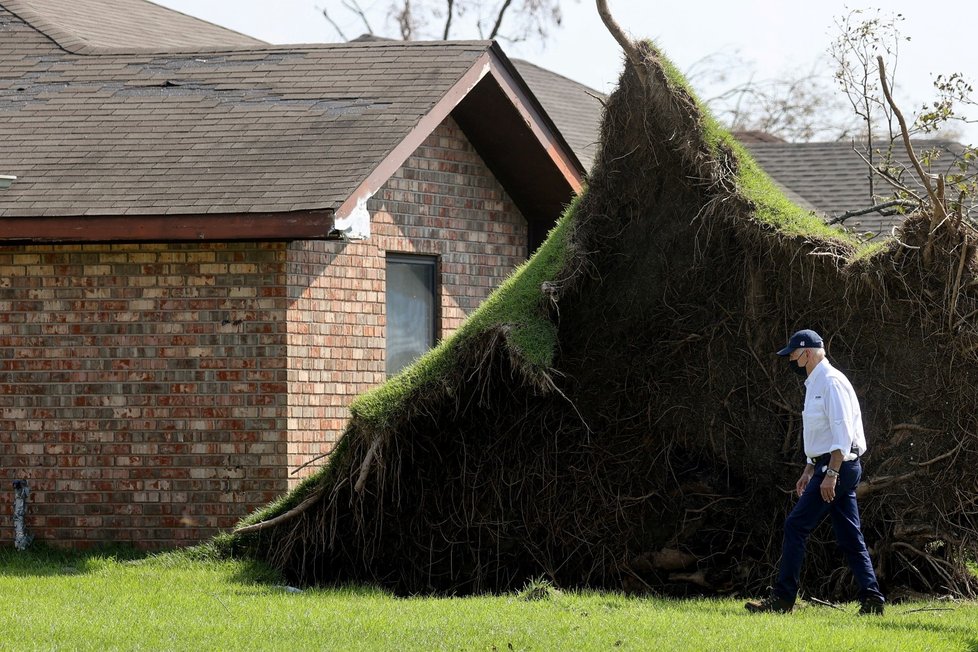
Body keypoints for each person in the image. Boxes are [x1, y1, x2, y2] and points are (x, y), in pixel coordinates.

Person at [745, 329, 885, 615]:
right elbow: (819, 434)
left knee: (796, 525)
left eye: (794, 355)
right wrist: (809, 468)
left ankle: (783, 600)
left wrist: (830, 474)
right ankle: (872, 599)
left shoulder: (831, 382)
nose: (792, 361)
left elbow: (842, 434)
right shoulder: (815, 383)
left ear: (806, 352)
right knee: (849, 536)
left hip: (838, 466)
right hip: (828, 465)